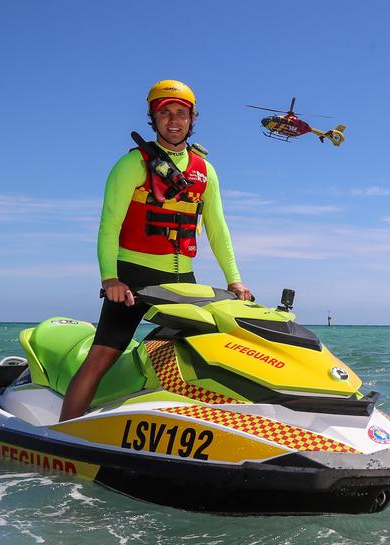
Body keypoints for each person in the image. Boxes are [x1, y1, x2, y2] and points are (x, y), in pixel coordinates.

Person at [60, 79, 252, 421]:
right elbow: (109, 225)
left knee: (205, 351)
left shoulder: (205, 171)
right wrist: (110, 279)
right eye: (165, 113)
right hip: (133, 277)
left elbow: (217, 229)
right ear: (153, 117)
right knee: (103, 354)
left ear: (193, 119)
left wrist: (234, 280)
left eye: (181, 113)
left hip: (183, 280)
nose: (174, 120)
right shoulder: (131, 164)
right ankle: (62, 433)